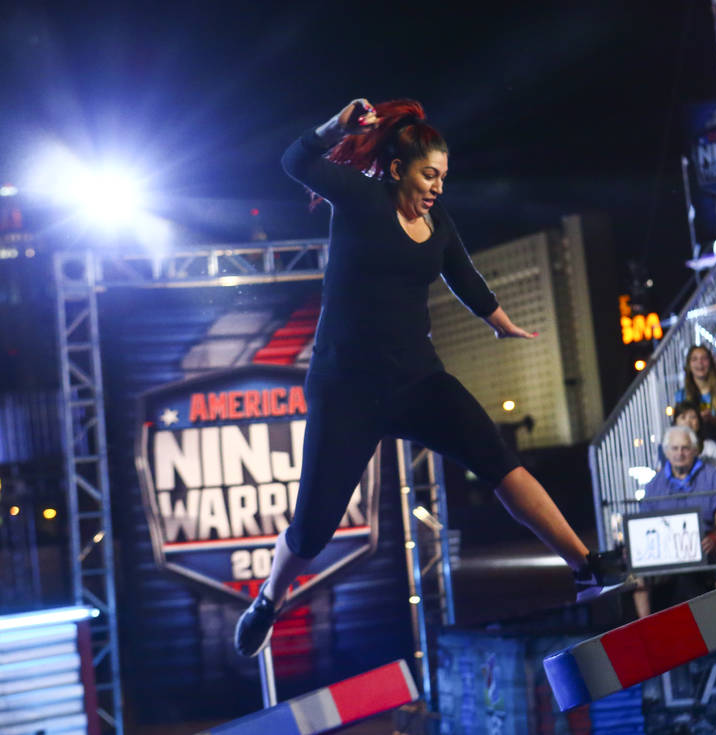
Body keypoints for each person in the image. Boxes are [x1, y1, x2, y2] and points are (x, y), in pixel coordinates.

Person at [234, 98, 619, 657]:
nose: (438, 187)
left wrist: (500, 322)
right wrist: (336, 127)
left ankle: (584, 566)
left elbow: (463, 272)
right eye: (429, 174)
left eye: (443, 176)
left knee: (498, 459)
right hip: (346, 391)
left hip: (417, 382)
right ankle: (269, 597)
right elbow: (296, 161)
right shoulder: (361, 198)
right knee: (313, 531)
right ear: (397, 170)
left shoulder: (437, 223)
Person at [634, 426, 716, 616]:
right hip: (664, 549)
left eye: (685, 448)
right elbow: (644, 522)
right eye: (675, 448)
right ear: (666, 452)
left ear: (695, 450)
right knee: (637, 568)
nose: (680, 453)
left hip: (704, 541)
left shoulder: (712, 476)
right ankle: (645, 629)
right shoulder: (654, 484)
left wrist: (714, 536)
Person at [677, 345, 716, 436]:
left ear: (711, 363)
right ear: (689, 365)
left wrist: (711, 419)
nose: (700, 363)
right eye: (694, 359)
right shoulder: (681, 394)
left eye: (704, 358)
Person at [670, 401, 716, 471]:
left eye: (693, 417)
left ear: (699, 422)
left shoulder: (710, 448)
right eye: (683, 417)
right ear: (675, 422)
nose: (688, 422)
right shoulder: (668, 449)